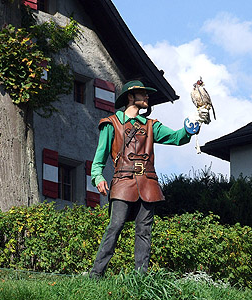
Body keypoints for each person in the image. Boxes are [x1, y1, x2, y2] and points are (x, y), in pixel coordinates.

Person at [89, 80, 209, 278]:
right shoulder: (110, 124)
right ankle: (96, 274)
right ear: (130, 96)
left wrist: (191, 126)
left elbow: (177, 137)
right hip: (122, 181)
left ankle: (140, 278)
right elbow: (99, 158)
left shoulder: (152, 126)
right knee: (115, 225)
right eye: (143, 94)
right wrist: (98, 177)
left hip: (148, 183)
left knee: (144, 231)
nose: (147, 97)